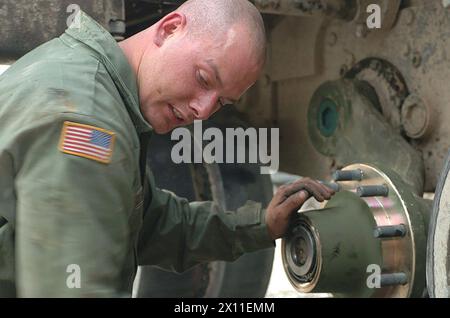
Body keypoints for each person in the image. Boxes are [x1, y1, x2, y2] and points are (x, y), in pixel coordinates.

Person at [0, 0, 334, 297]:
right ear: (169, 28)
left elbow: (149, 225)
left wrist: (262, 225)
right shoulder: (89, 123)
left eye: (221, 103)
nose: (202, 112)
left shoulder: (89, 79)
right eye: (203, 78)